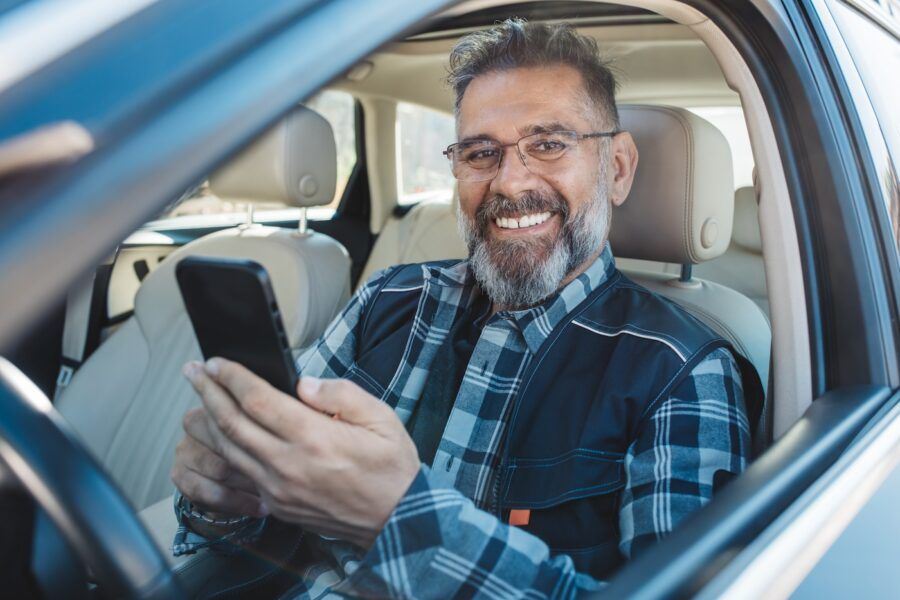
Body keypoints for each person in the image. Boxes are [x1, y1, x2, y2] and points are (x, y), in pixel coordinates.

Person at [170, 18, 752, 597]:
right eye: (480, 153)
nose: (509, 182)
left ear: (617, 169)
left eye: (548, 145)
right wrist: (223, 502)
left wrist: (398, 519)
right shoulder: (389, 298)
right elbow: (252, 520)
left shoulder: (681, 371)